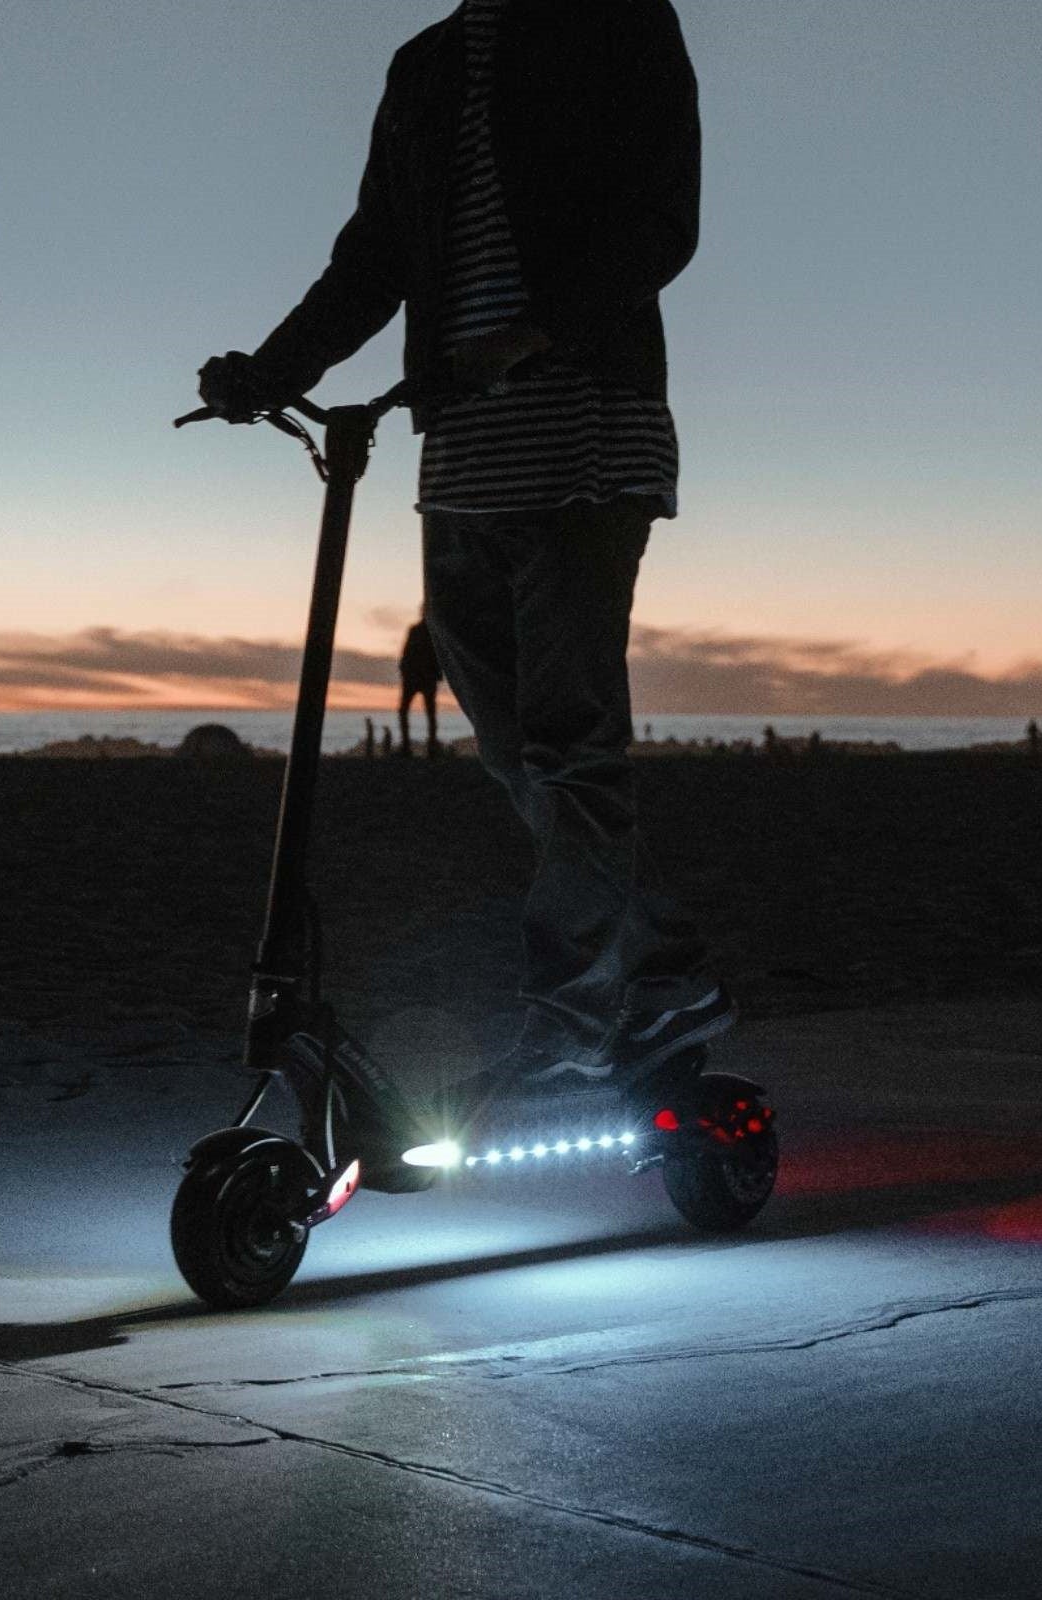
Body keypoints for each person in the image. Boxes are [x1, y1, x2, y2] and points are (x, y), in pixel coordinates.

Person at [196, 0, 734, 1100]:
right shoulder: (426, 66)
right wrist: (273, 368)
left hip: (586, 425)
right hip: (461, 455)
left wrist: (527, 334)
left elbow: (660, 223)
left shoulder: (619, 20)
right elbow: (376, 255)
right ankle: (667, 966)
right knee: (513, 753)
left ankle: (576, 1012)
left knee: (572, 744)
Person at [398, 614, 442, 756]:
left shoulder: (422, 631)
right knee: (428, 713)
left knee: (419, 712)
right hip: (420, 677)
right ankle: (428, 747)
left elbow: (407, 652)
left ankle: (411, 747)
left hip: (417, 677)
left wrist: (404, 669)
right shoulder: (428, 632)